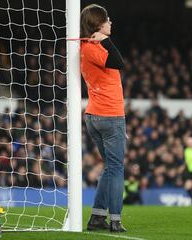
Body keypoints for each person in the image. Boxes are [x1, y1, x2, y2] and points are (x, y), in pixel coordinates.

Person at [80, 4, 126, 232]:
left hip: (96, 115)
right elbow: (120, 63)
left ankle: (97, 217)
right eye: (107, 19)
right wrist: (105, 41)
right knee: (117, 168)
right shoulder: (94, 47)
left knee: (110, 167)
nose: (111, 22)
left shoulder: (86, 47)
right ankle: (115, 219)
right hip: (109, 114)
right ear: (98, 24)